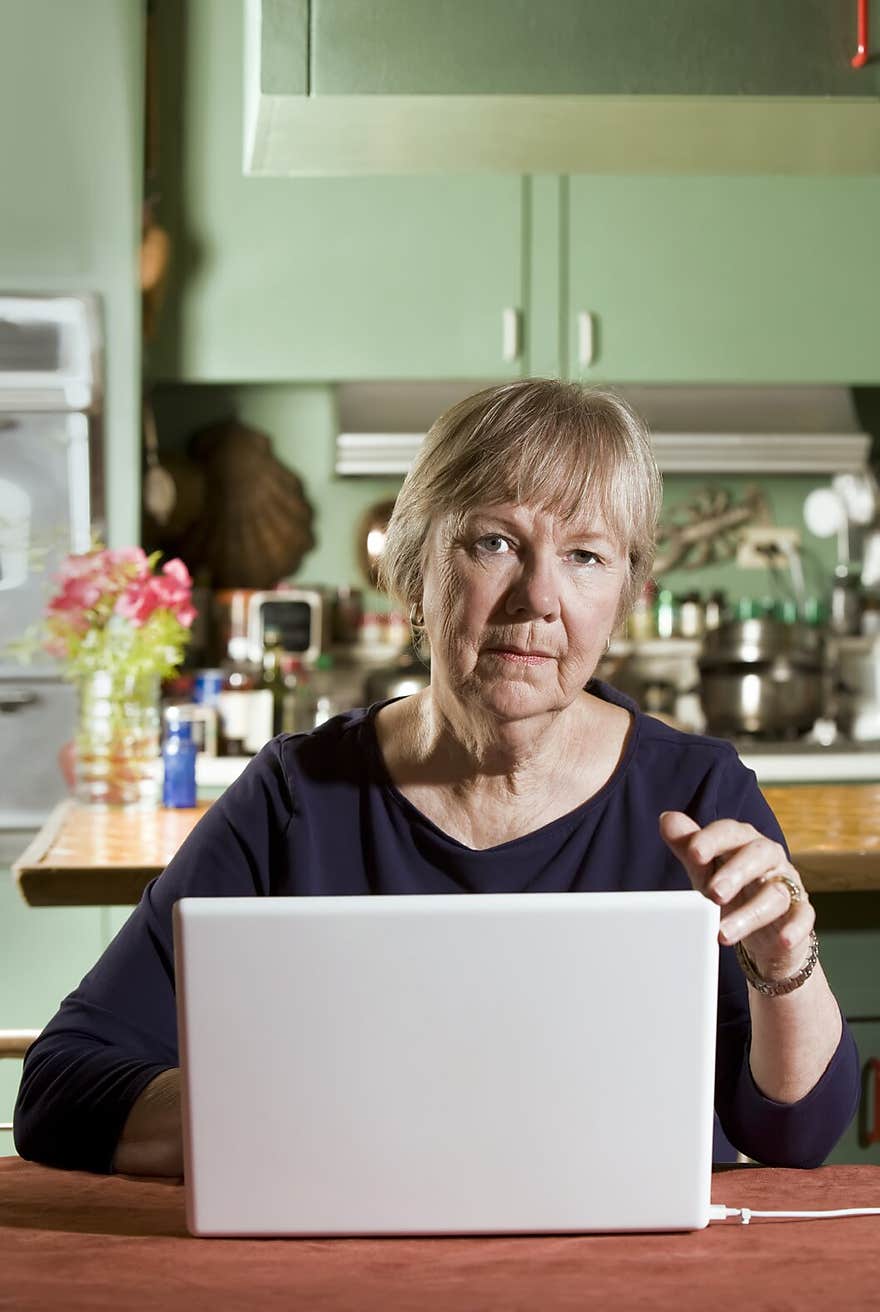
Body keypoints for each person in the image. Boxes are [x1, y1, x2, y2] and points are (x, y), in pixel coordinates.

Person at [15, 380, 859, 1178]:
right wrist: (323, 1124)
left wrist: (785, 961)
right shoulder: (294, 800)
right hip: (349, 1275)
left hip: (628, 1283)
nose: (539, 596)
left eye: (586, 556)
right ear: (414, 574)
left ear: (629, 596)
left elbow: (797, 1134)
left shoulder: (700, 796)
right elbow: (61, 1090)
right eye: (494, 542)